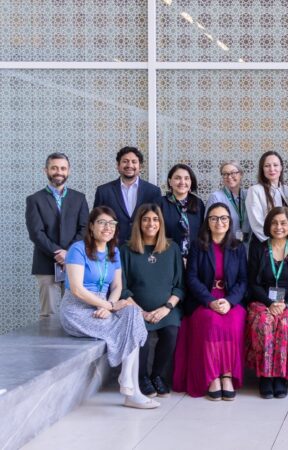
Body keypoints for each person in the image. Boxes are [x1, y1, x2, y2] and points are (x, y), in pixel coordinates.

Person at [59, 206, 157, 409]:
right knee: (132, 327)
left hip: (103, 305)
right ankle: (132, 391)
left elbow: (117, 286)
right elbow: (77, 289)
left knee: (132, 312)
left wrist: (109, 306)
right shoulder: (78, 249)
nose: (107, 228)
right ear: (92, 226)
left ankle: (128, 382)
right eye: (102, 223)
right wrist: (108, 305)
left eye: (112, 224)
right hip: (77, 310)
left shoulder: (114, 251)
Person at [173, 203, 248, 400]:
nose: (219, 222)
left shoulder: (238, 247)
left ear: (230, 222)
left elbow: (243, 280)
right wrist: (210, 301)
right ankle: (213, 376)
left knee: (233, 323)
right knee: (211, 322)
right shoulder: (198, 246)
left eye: (224, 218)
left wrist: (230, 302)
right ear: (207, 222)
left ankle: (227, 375)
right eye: (214, 218)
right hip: (203, 299)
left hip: (230, 299)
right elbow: (192, 278)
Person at [246, 207, 288, 399]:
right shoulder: (258, 248)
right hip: (263, 300)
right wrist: (270, 303)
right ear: (268, 225)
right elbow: (253, 282)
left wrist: (285, 303)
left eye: (283, 223)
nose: (279, 227)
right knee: (265, 323)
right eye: (275, 223)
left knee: (286, 324)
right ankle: (266, 378)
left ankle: (280, 377)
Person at [120, 204, 183, 398]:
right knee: (143, 338)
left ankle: (158, 376)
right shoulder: (126, 249)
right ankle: (142, 378)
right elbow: (122, 289)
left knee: (171, 332)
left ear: (161, 223)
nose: (151, 223)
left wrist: (166, 308)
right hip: (136, 309)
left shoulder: (172, 249)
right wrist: (141, 312)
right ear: (138, 223)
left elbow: (179, 286)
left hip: (166, 309)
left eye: (155, 220)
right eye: (146, 219)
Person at [25, 152, 89, 317]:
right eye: (54, 168)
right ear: (45, 170)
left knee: (75, 312)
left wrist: (69, 253)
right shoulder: (34, 199)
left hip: (75, 262)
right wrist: (58, 253)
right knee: (49, 314)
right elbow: (35, 233)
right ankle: (47, 343)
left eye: (63, 168)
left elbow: (85, 228)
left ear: (69, 171)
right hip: (46, 264)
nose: (58, 171)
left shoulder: (79, 198)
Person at [93, 147, 161, 243]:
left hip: (143, 247)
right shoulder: (104, 191)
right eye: (125, 161)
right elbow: (97, 221)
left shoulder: (153, 191)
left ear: (140, 166)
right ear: (118, 165)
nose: (129, 165)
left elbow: (157, 222)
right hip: (112, 247)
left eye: (134, 162)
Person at [157, 164, 206, 258]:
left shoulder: (198, 203)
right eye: (177, 178)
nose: (182, 182)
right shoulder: (160, 203)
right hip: (167, 257)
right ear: (170, 181)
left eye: (187, 178)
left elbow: (202, 232)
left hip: (194, 258)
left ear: (191, 182)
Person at [246, 151, 288, 245]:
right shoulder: (255, 190)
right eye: (267, 166)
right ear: (262, 169)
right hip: (264, 244)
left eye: (275, 165)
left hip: (286, 243)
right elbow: (257, 224)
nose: (272, 169)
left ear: (281, 167)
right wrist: (273, 243)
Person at [208, 161, 250, 242]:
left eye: (233, 173)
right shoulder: (216, 197)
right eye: (225, 174)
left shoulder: (249, 195)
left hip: (248, 245)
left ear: (241, 174)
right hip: (225, 245)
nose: (229, 177)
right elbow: (209, 225)